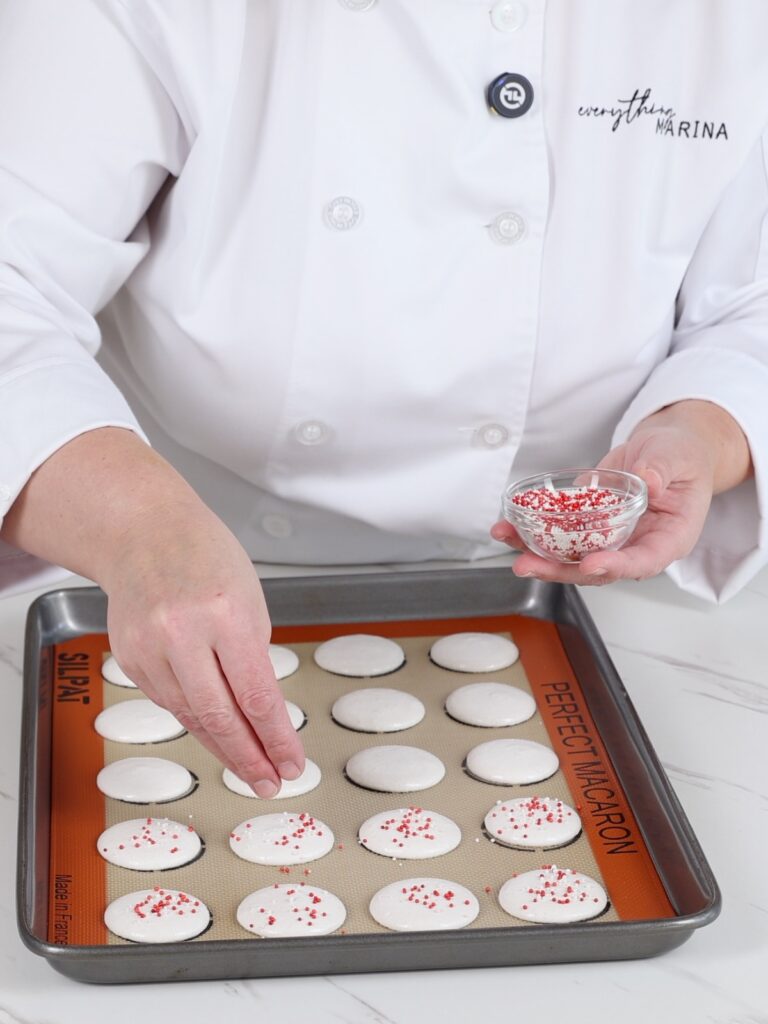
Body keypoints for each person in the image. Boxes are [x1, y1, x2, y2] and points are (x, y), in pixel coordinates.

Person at [0, 0, 765, 799]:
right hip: (174, 573)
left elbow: (752, 302)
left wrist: (701, 429)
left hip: (594, 595)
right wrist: (137, 528)